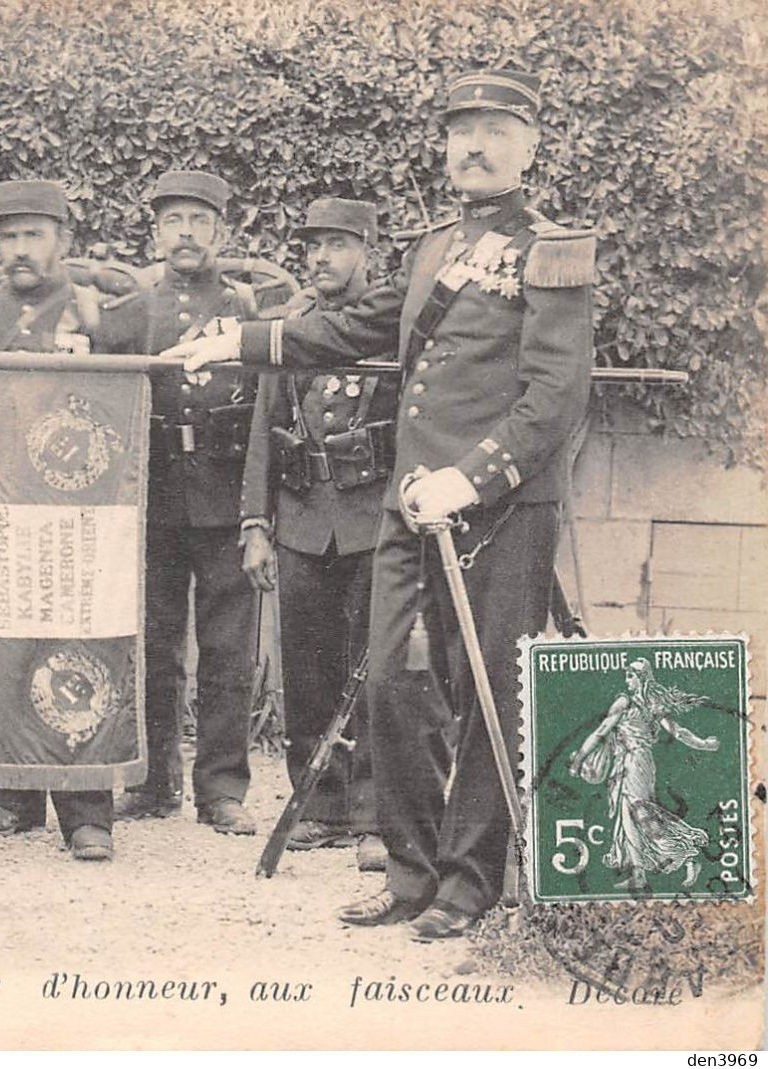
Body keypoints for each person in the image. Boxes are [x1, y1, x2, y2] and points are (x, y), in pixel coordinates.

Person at [167, 69, 596, 939]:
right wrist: (240, 339)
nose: (474, 146)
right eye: (460, 132)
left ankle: (470, 883)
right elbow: (359, 331)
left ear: (530, 146)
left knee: (488, 695)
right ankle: (410, 871)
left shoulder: (553, 250)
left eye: (495, 132)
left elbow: (555, 396)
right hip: (410, 510)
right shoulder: (432, 247)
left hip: (499, 509)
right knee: (395, 692)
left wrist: (469, 477)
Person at [0, 179, 117, 862]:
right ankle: (11, 796)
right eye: (8, 237)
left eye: (34, 236)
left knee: (79, 647)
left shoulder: (92, 309)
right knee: (2, 646)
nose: (20, 250)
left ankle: (86, 809)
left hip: (77, 510)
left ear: (63, 241)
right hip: (0, 502)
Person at [101, 171, 262, 833]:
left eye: (198, 220)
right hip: (157, 493)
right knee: (154, 644)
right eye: (173, 221)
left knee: (227, 650)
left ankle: (221, 789)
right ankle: (151, 781)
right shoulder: (135, 309)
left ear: (221, 231)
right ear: (156, 232)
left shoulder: (247, 307)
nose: (186, 233)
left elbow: (263, 405)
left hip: (225, 493)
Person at [240, 197, 390, 871]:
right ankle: (318, 805)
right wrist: (254, 526)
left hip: (371, 522)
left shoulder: (390, 328)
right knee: (305, 673)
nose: (320, 258)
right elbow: (262, 435)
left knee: (377, 673)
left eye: (335, 244)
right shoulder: (290, 328)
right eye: (312, 246)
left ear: (366, 250)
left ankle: (372, 815)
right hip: (302, 522)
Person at [569, 658, 717, 890]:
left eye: (631, 676)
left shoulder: (624, 702)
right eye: (627, 675)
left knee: (639, 813)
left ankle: (688, 855)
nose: (627, 680)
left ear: (642, 679)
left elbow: (600, 732)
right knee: (630, 817)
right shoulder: (652, 705)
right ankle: (640, 874)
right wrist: (703, 744)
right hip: (635, 762)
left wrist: (579, 759)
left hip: (634, 763)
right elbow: (678, 732)